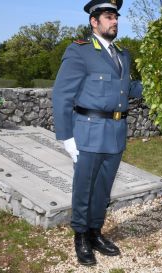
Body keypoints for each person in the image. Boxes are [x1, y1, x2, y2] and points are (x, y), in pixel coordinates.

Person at [52, 0, 142, 266]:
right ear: (94, 21)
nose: (114, 21)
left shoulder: (122, 55)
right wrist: (66, 137)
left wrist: (158, 84)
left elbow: (128, 88)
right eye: (108, 16)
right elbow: (61, 95)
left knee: (103, 189)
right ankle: (80, 235)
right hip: (88, 131)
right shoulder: (79, 51)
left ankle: (95, 231)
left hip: (115, 132)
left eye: (116, 16)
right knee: (85, 187)